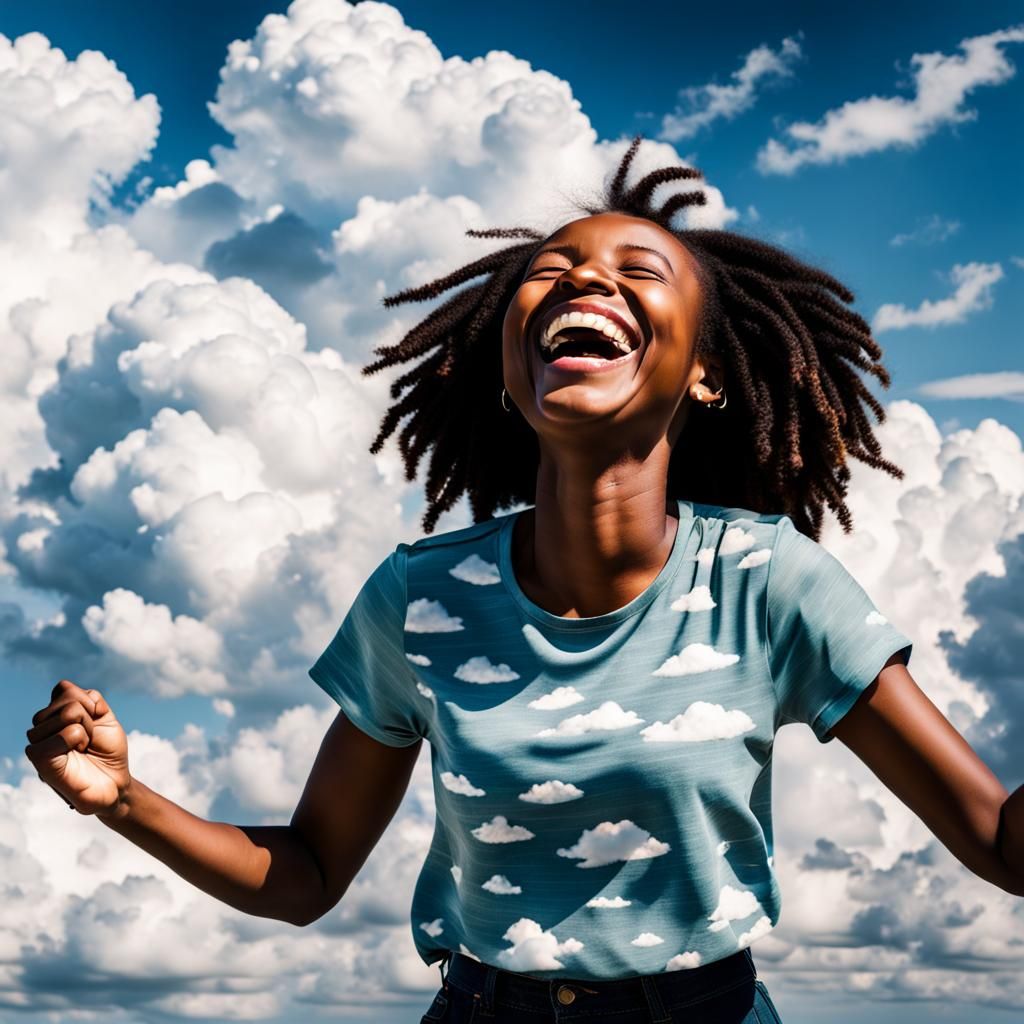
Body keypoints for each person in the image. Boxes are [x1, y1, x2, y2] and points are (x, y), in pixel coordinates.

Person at [25, 136, 1024, 1024]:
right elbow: (307, 875)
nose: (585, 282)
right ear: (509, 363)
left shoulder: (772, 583)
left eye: (638, 268)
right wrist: (121, 799)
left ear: (706, 375)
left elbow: (997, 840)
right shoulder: (418, 598)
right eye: (551, 273)